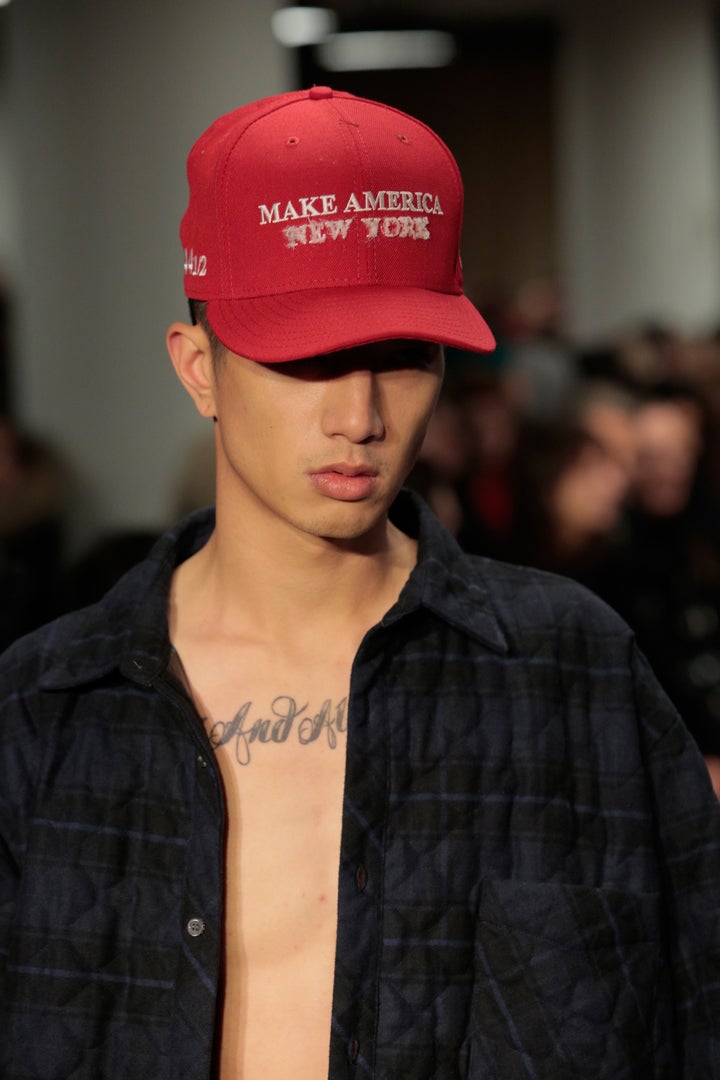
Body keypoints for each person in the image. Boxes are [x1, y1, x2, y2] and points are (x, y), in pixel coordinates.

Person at [1, 87, 719, 1080]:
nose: (361, 415)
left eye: (402, 355)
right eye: (305, 357)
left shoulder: (579, 675)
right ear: (199, 367)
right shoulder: (42, 715)